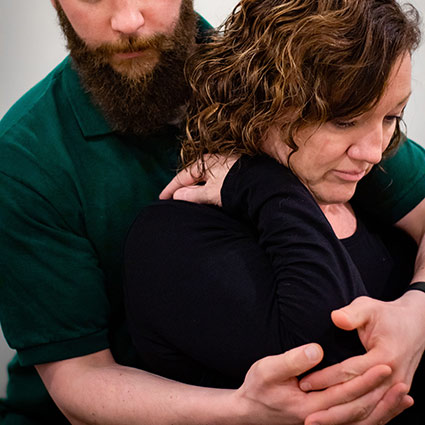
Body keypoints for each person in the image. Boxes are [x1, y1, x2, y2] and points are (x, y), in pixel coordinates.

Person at [0, 0, 423, 424]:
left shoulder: (283, 67)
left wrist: (415, 314)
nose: (127, 20)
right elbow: (78, 381)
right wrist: (242, 410)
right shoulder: (27, 158)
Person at [125, 0, 425, 422]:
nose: (373, 151)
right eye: (343, 120)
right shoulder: (171, 238)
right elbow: (336, 363)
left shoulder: (363, 188)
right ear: (263, 99)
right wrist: (261, 182)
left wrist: (419, 307)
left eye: (391, 116)